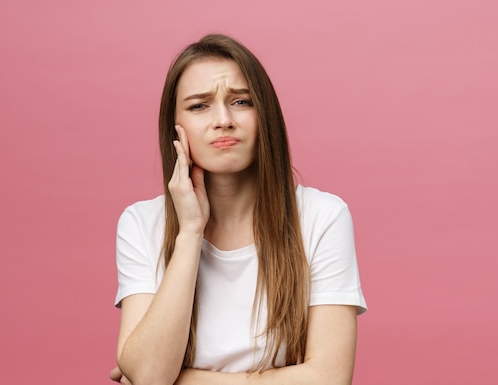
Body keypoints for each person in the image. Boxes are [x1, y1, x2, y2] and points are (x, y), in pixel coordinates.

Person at [109, 34, 367, 385]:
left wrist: (182, 380)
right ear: (175, 127)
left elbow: (329, 379)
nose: (223, 120)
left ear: (266, 115)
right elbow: (151, 375)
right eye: (199, 106)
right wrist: (189, 233)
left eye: (242, 101)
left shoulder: (323, 216)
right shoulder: (141, 224)